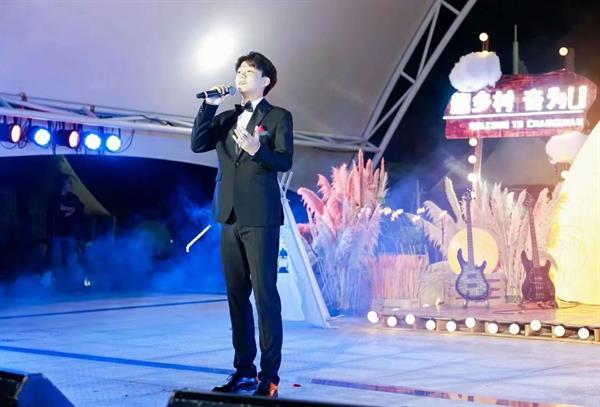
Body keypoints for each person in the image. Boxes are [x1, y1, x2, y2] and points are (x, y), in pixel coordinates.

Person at [191, 51, 293, 398]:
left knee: (266, 297)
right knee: (236, 296)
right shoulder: (225, 117)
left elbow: (285, 160)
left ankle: (269, 376)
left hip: (261, 216)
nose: (241, 76)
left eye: (249, 71)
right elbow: (197, 144)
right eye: (239, 71)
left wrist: (257, 150)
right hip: (228, 215)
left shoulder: (278, 116)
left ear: (266, 80)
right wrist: (209, 106)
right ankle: (244, 371)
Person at [49, 173, 84, 291]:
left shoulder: (73, 197)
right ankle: (59, 287)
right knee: (58, 260)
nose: (71, 185)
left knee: (72, 259)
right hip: (57, 234)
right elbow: (55, 209)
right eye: (69, 183)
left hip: (70, 235)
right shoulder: (53, 197)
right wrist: (70, 210)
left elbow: (80, 209)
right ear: (63, 184)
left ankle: (74, 286)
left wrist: (69, 209)